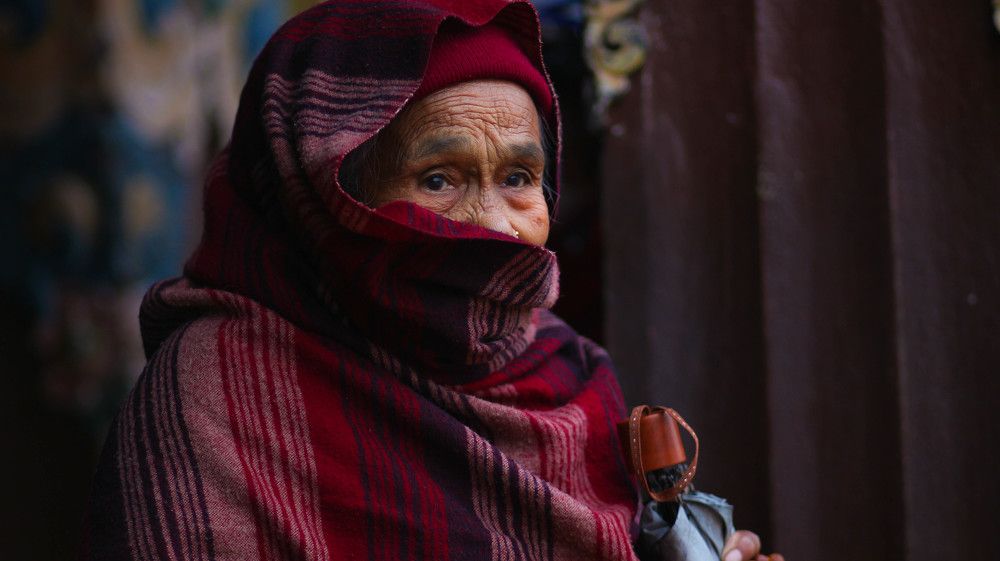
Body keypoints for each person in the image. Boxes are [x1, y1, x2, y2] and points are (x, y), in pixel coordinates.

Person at [82, 1, 780, 560]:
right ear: (321, 201)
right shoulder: (218, 397)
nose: (492, 225)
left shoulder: (569, 375)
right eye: (438, 178)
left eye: (518, 179)